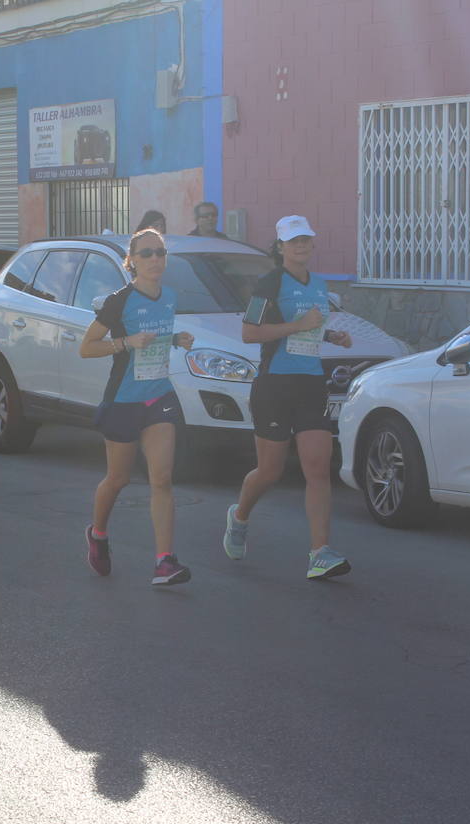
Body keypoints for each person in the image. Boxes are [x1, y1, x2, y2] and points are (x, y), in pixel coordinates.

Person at [224, 215, 354, 580]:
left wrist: (332, 337)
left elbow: (312, 327)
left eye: (306, 240)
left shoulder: (319, 283)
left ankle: (320, 553)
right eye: (294, 241)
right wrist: (298, 325)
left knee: (318, 469)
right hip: (275, 384)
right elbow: (250, 333)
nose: (301, 246)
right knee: (270, 471)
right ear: (280, 246)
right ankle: (239, 516)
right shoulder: (269, 282)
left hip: (310, 382)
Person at [79, 227, 196, 586]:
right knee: (118, 479)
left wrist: (176, 339)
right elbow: (87, 346)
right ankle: (98, 533)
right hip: (124, 400)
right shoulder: (119, 301)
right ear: (132, 262)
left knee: (161, 478)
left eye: (160, 252)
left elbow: (156, 337)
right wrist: (126, 342)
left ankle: (164, 561)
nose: (155, 259)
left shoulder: (170, 296)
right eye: (146, 254)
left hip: (158, 395)